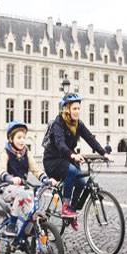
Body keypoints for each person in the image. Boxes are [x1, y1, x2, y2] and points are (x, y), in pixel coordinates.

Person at [42, 93, 108, 231]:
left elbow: (90, 138)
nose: (77, 111)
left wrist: (103, 153)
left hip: (66, 159)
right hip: (52, 160)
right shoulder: (58, 123)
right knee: (72, 171)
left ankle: (71, 212)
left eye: (78, 108)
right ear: (67, 109)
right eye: (74, 109)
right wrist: (73, 155)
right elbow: (60, 144)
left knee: (82, 183)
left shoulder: (78, 124)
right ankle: (65, 207)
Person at [0, 121, 56, 236]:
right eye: (19, 137)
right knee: (22, 194)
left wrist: (46, 180)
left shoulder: (26, 153)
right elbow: (1, 170)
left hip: (22, 188)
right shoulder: (6, 153)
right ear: (10, 138)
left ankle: (25, 236)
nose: (22, 140)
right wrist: (10, 178)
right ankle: (12, 225)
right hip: (7, 188)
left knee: (32, 210)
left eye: (24, 137)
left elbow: (36, 169)